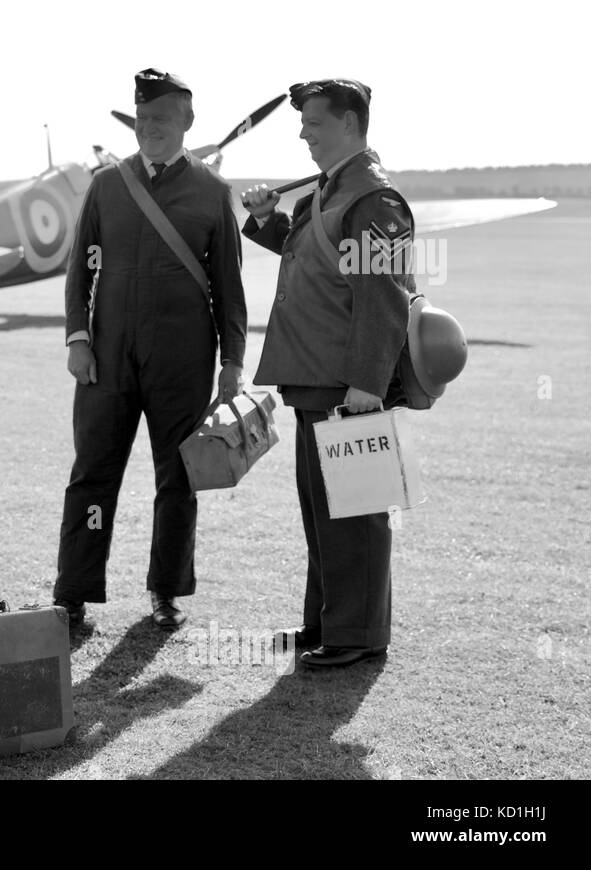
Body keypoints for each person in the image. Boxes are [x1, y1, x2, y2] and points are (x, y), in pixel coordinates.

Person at [54, 69, 248, 631]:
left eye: (161, 120)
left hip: (183, 360)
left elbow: (229, 289)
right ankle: (73, 593)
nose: (149, 129)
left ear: (186, 122)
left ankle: (166, 592)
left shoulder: (213, 194)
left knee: (178, 477)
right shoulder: (107, 185)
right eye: (142, 120)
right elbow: (78, 271)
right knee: (92, 475)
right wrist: (78, 338)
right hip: (107, 356)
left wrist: (232, 362)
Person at [241, 80, 413, 668]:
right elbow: (311, 254)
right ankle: (326, 623)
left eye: (313, 123)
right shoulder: (332, 189)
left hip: (349, 383)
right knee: (321, 508)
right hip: (317, 375)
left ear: (347, 122)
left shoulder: (372, 199)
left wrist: (367, 385)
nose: (303, 133)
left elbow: (384, 297)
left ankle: (356, 636)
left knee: (356, 511)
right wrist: (267, 221)